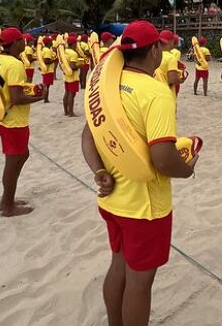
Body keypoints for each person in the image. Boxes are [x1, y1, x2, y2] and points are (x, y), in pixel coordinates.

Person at [80, 20, 198, 326]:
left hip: (111, 200)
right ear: (156, 51)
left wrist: (99, 171)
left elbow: (87, 135)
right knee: (139, 283)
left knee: (118, 265)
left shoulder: (106, 87)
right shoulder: (156, 93)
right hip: (145, 209)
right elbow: (162, 158)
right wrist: (186, 170)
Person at [0, 27, 45, 217]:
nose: (26, 43)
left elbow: (10, 90)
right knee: (14, 160)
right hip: (14, 120)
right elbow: (16, 98)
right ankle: (7, 206)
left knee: (18, 157)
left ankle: (7, 198)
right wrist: (41, 97)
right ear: (15, 43)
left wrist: (31, 90)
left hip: (2, 117)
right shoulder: (15, 64)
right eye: (22, 40)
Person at [155, 30, 181, 97]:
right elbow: (172, 80)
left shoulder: (154, 54)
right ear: (170, 42)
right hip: (166, 93)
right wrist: (180, 79)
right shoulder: (171, 58)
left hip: (155, 90)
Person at [63, 34, 81, 117]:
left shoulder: (65, 51)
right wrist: (80, 65)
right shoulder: (73, 54)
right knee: (72, 94)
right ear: (73, 44)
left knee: (67, 92)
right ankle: (71, 112)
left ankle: (66, 111)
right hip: (73, 76)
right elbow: (73, 67)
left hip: (66, 75)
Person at [40, 36, 56, 103]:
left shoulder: (43, 49)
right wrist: (54, 60)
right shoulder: (47, 51)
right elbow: (46, 61)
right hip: (48, 70)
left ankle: (45, 98)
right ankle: (45, 99)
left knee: (46, 84)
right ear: (48, 43)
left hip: (45, 70)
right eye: (50, 41)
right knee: (47, 85)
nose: (52, 42)